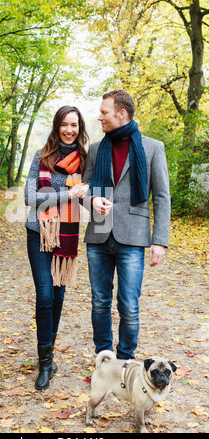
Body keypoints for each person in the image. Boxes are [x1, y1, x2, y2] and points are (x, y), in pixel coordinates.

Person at [81, 90, 171, 360]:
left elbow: (163, 196)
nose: (99, 117)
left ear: (122, 114)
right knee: (99, 303)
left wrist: (160, 240)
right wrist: (92, 200)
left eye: (104, 112)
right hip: (98, 234)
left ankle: (125, 361)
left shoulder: (153, 147)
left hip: (133, 236)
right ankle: (103, 360)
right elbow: (83, 190)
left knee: (129, 306)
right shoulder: (96, 149)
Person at [24, 105, 89, 389]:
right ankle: (45, 363)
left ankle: (47, 357)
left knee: (59, 298)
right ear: (56, 126)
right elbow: (30, 196)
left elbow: (88, 196)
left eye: (74, 125)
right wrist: (67, 194)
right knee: (45, 295)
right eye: (64, 124)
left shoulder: (85, 161)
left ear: (80, 128)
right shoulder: (42, 156)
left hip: (66, 237)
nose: (68, 130)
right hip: (38, 233)